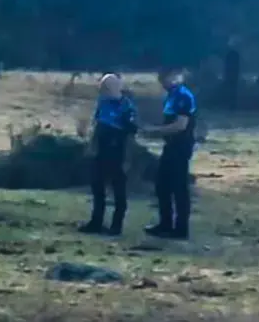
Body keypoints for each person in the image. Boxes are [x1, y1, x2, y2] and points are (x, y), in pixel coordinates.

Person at [140, 67, 198, 240]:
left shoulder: (183, 96)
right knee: (162, 185)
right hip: (171, 145)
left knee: (178, 187)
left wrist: (156, 131)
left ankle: (180, 229)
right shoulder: (172, 95)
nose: (163, 82)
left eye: (165, 78)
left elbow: (181, 125)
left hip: (180, 147)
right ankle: (165, 224)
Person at [79, 73, 137, 236]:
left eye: (107, 87)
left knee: (118, 190)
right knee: (98, 187)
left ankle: (116, 226)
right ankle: (96, 222)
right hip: (101, 150)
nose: (103, 90)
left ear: (116, 87)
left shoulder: (127, 106)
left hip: (118, 150)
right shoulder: (102, 103)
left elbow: (131, 134)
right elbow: (98, 124)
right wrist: (91, 145)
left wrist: (127, 158)